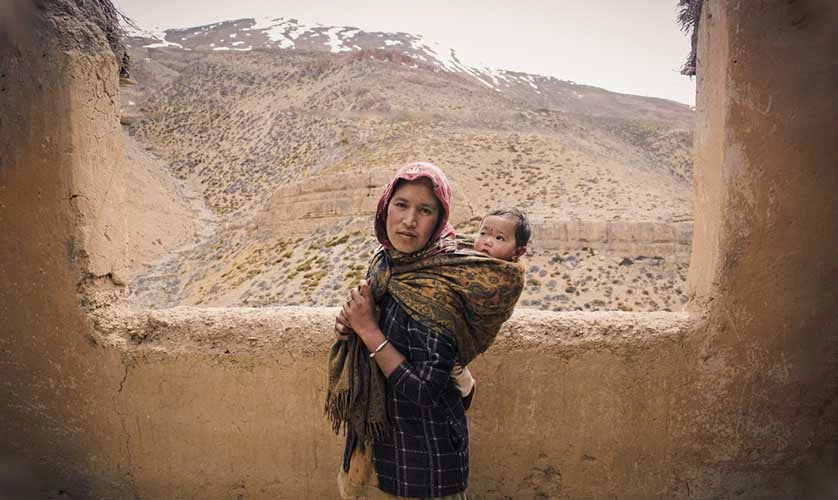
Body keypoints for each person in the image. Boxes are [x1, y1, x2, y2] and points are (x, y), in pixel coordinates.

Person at [325, 162, 525, 499]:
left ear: (440, 220)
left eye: (425, 210)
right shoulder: (386, 262)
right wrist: (351, 326)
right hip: (372, 450)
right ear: (385, 206)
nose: (408, 220)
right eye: (401, 205)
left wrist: (369, 330)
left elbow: (425, 390)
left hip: (421, 464)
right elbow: (374, 321)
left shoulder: (439, 289)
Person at [452, 207, 531, 409]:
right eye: (483, 233)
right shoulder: (464, 257)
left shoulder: (507, 277)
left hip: (463, 335)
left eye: (499, 238)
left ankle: (464, 384)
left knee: (450, 362)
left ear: (518, 251)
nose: (487, 241)